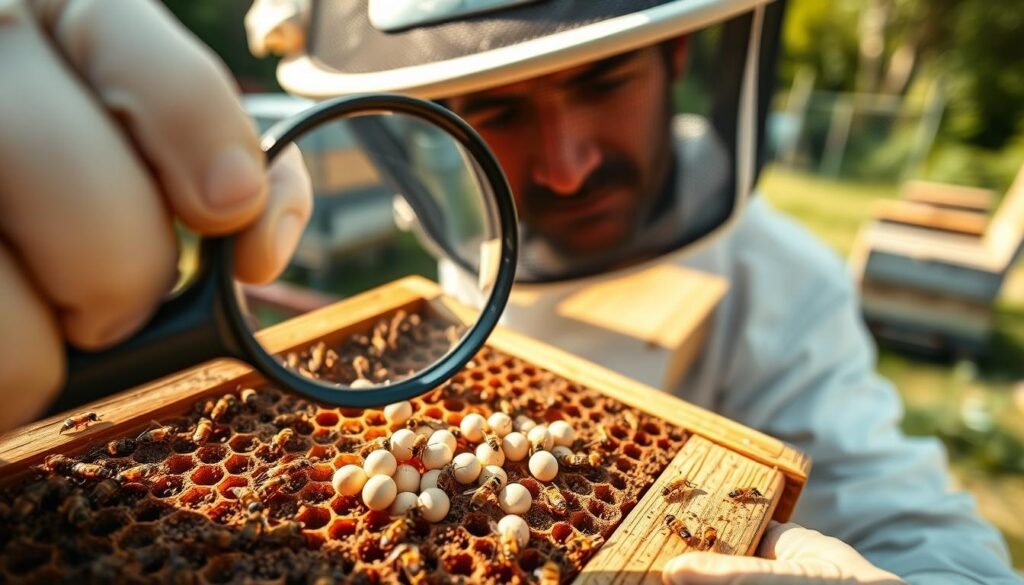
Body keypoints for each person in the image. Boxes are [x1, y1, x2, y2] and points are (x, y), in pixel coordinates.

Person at [1, 1, 1018, 584]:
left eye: (604, 81)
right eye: (496, 111)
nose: (567, 166)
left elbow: (919, 525)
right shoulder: (418, 294)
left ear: (679, 54)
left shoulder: (778, 283)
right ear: (427, 118)